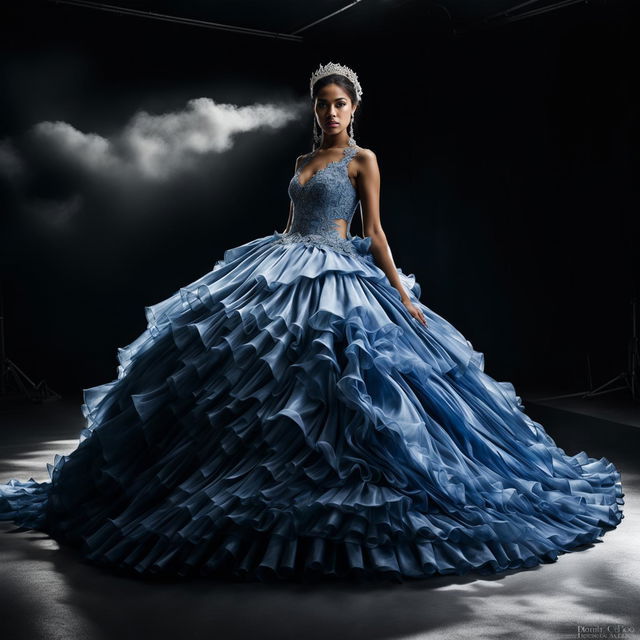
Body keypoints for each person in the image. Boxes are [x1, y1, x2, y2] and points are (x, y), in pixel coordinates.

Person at [0, 62, 624, 583]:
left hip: (337, 268)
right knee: (241, 375)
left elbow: (373, 229)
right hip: (284, 257)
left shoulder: (362, 159)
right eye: (323, 105)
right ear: (315, 108)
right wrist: (266, 258)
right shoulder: (301, 158)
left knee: (341, 380)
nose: (330, 114)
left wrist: (402, 293)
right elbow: (292, 218)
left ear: (354, 109)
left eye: (339, 105)